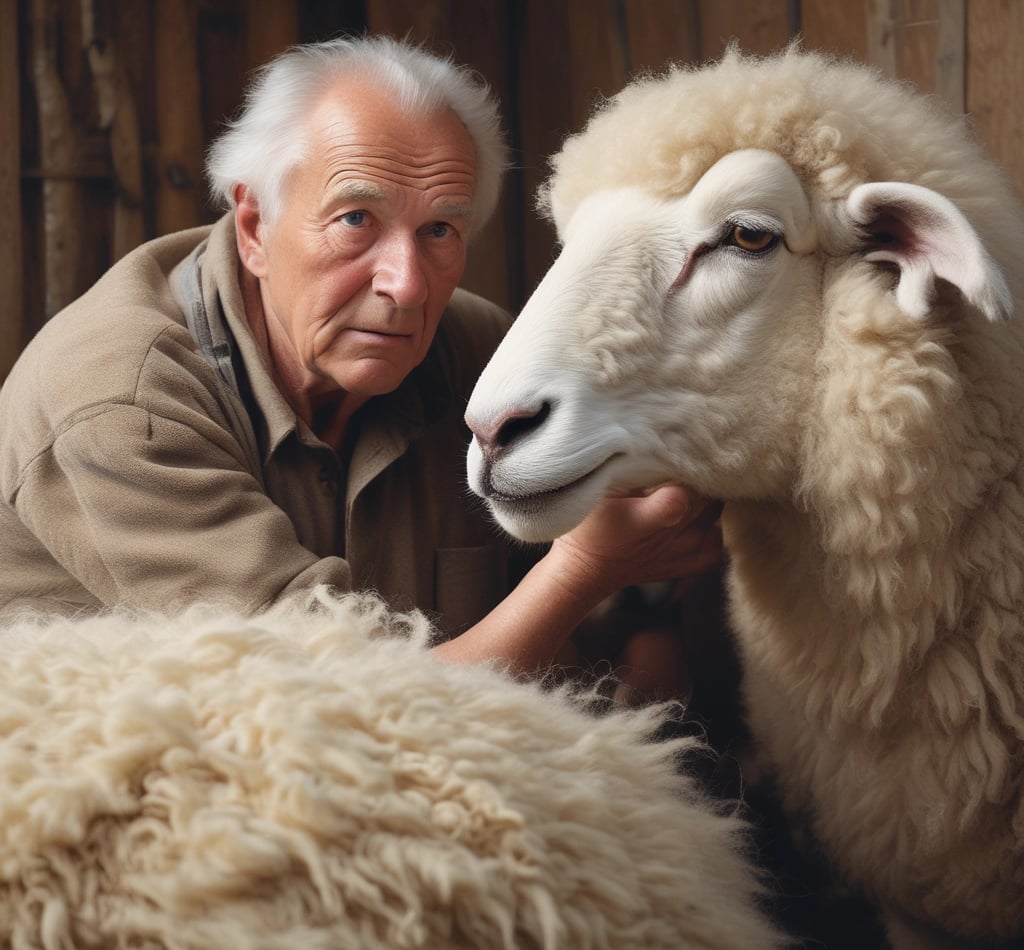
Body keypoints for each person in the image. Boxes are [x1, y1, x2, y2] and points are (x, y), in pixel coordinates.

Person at [0, 35, 721, 676]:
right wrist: (582, 571)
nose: (406, 286)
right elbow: (335, 710)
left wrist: (640, 609)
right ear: (254, 227)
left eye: (439, 230)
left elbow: (626, 623)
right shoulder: (122, 402)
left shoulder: (473, 352)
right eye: (355, 220)